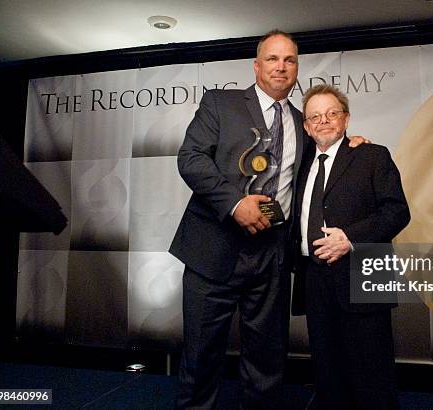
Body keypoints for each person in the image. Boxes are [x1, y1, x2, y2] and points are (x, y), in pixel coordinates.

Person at [169, 31, 367, 409]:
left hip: (272, 259)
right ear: (256, 66)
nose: (281, 66)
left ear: (296, 69)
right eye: (273, 59)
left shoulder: (303, 122)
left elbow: (323, 161)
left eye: (290, 60)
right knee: (200, 358)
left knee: (266, 363)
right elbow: (191, 158)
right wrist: (234, 203)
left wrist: (351, 144)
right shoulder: (219, 103)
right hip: (213, 252)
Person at [292, 85, 410, 409]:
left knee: (372, 376)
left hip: (364, 274)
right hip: (315, 280)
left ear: (346, 119)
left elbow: (398, 211)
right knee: (328, 375)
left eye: (332, 113)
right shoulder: (300, 166)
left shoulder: (372, 155)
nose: (324, 121)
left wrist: (351, 239)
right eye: (315, 116)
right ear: (306, 127)